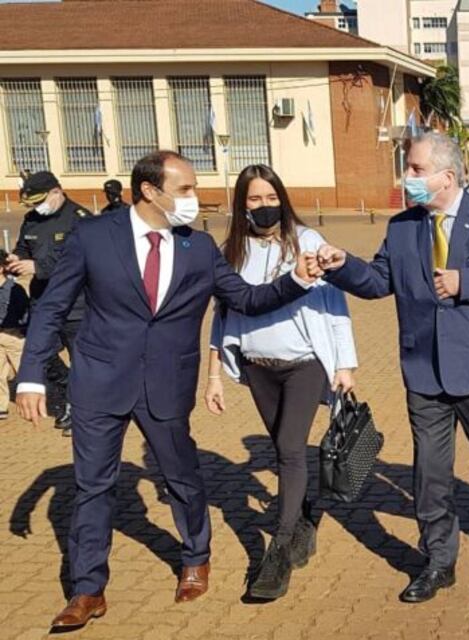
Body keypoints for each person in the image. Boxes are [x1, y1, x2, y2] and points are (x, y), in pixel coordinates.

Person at [14, 150, 321, 631]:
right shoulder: (93, 237)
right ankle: (88, 589)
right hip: (98, 380)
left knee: (180, 477)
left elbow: (243, 298)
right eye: (185, 190)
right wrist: (30, 374)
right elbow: (52, 308)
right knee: (92, 486)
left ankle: (195, 557)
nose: (194, 199)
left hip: (166, 383)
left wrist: (297, 280)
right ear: (150, 192)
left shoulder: (197, 248)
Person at [314, 132, 469, 605]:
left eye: (415, 170)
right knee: (431, 472)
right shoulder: (402, 228)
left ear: (447, 176)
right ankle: (438, 560)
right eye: (407, 168)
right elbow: (377, 282)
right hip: (424, 370)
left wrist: (465, 283)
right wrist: (341, 264)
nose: (406, 178)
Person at [206, 164, 357, 600]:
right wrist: (214, 375)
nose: (264, 206)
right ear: (242, 203)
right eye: (254, 199)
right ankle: (307, 515)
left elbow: (335, 305)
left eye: (271, 198)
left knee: (291, 448)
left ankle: (279, 548)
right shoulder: (230, 250)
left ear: (282, 199)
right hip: (257, 366)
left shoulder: (306, 242)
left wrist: (344, 365)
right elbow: (223, 315)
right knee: (282, 450)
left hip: (304, 364)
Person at [7, 171, 91, 435]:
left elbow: (83, 261)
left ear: (57, 192)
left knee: (83, 361)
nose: (36, 207)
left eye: (39, 201)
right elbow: (23, 248)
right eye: (31, 203)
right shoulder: (32, 219)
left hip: (77, 306)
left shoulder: (81, 220)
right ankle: (68, 389)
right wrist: (14, 259)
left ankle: (80, 411)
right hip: (42, 303)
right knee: (40, 354)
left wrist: (38, 266)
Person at [0, 254, 29, 420]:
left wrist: (22, 329)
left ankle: (33, 402)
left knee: (24, 371)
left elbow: (25, 312)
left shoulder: (15, 289)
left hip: (14, 335)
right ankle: (1, 406)